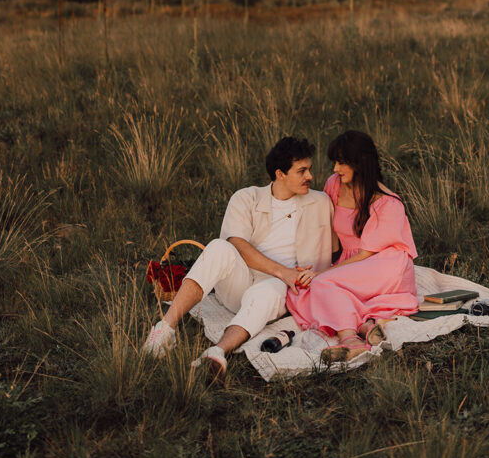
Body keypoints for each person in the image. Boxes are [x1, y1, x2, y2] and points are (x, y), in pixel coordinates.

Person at [143, 136, 333, 378]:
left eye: (310, 169)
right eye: (302, 171)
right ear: (280, 173)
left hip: (283, 289)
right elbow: (237, 244)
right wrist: (283, 271)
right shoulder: (247, 197)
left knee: (269, 290)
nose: (310, 177)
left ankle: (216, 352)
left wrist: (309, 274)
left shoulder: (320, 202)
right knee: (218, 247)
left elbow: (341, 243)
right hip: (241, 281)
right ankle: (164, 330)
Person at [286, 130, 419, 363]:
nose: (335, 168)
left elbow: (367, 254)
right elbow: (329, 233)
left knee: (323, 282)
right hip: (353, 264)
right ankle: (366, 326)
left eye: (342, 162)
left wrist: (321, 273)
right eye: (335, 162)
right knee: (299, 292)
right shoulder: (335, 185)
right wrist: (315, 265)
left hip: (384, 264)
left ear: (360, 163)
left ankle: (349, 338)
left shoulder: (386, 202)